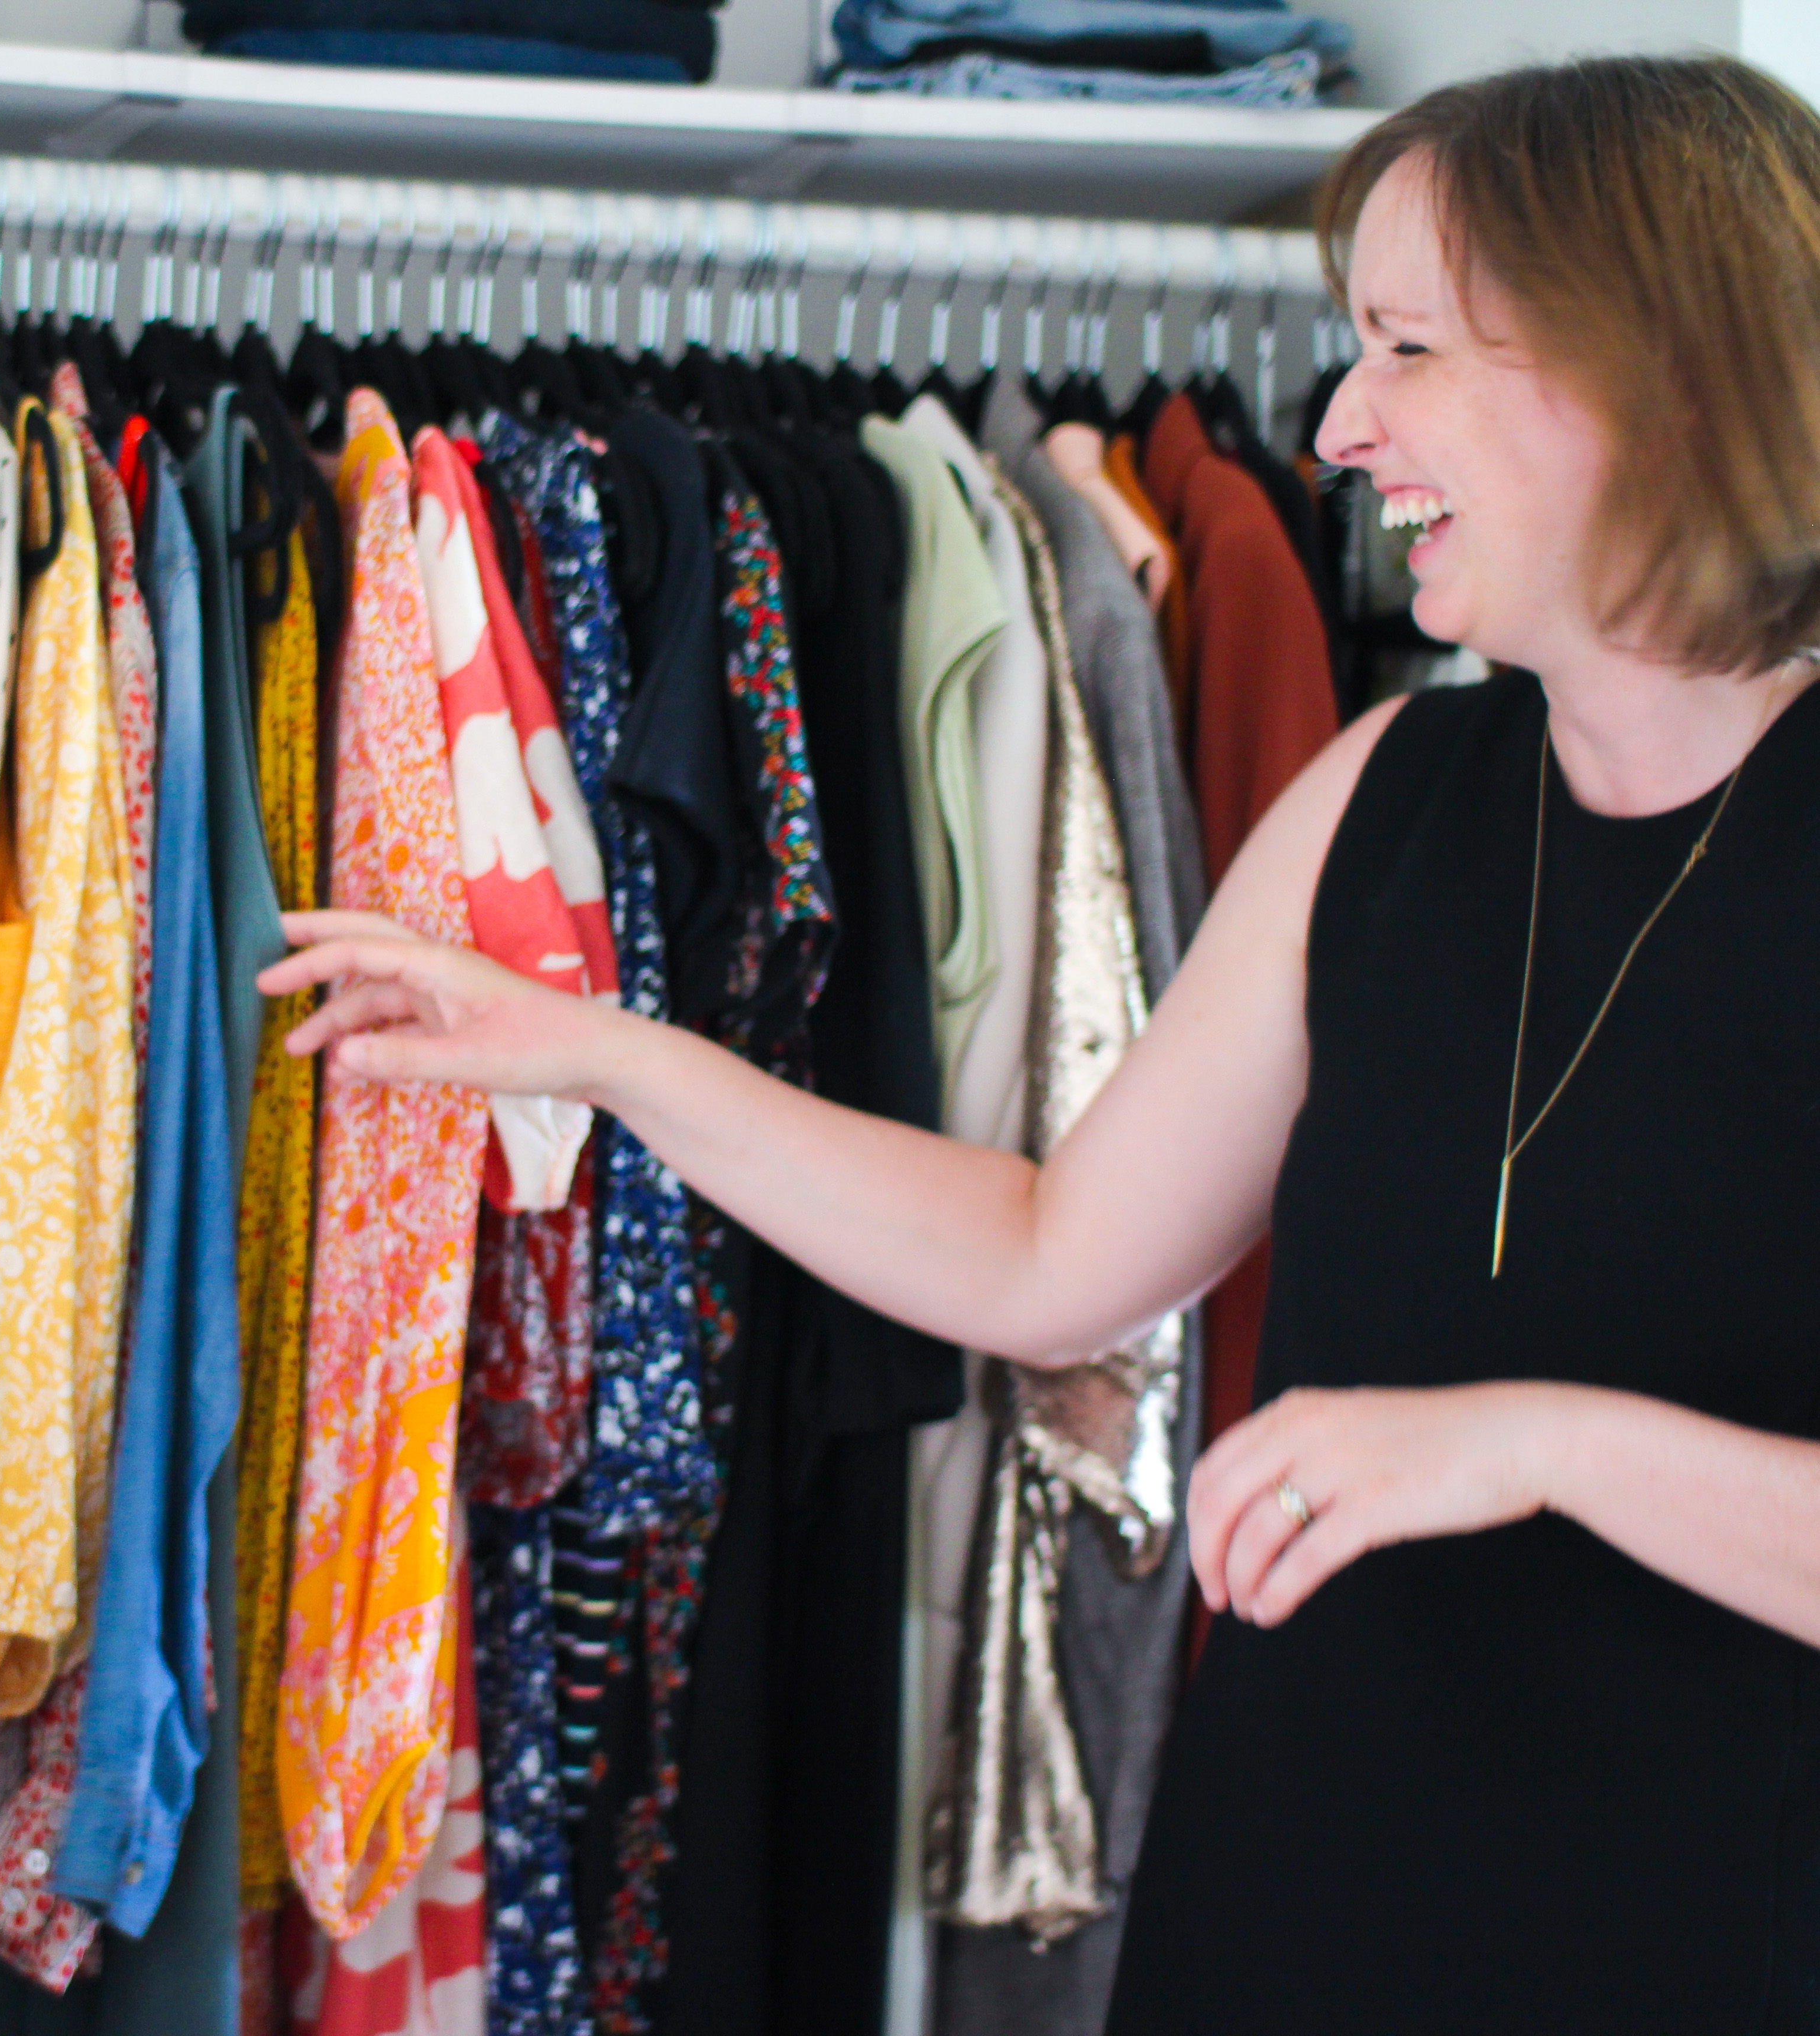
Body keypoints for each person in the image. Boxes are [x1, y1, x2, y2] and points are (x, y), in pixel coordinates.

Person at [262, 52, 1820, 2029]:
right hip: (1295, 1920)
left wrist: (1542, 1445)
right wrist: (599, 1051)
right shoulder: (1392, 794)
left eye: (1409, 349)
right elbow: (1047, 1253)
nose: (1340, 427)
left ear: (1658, 371)